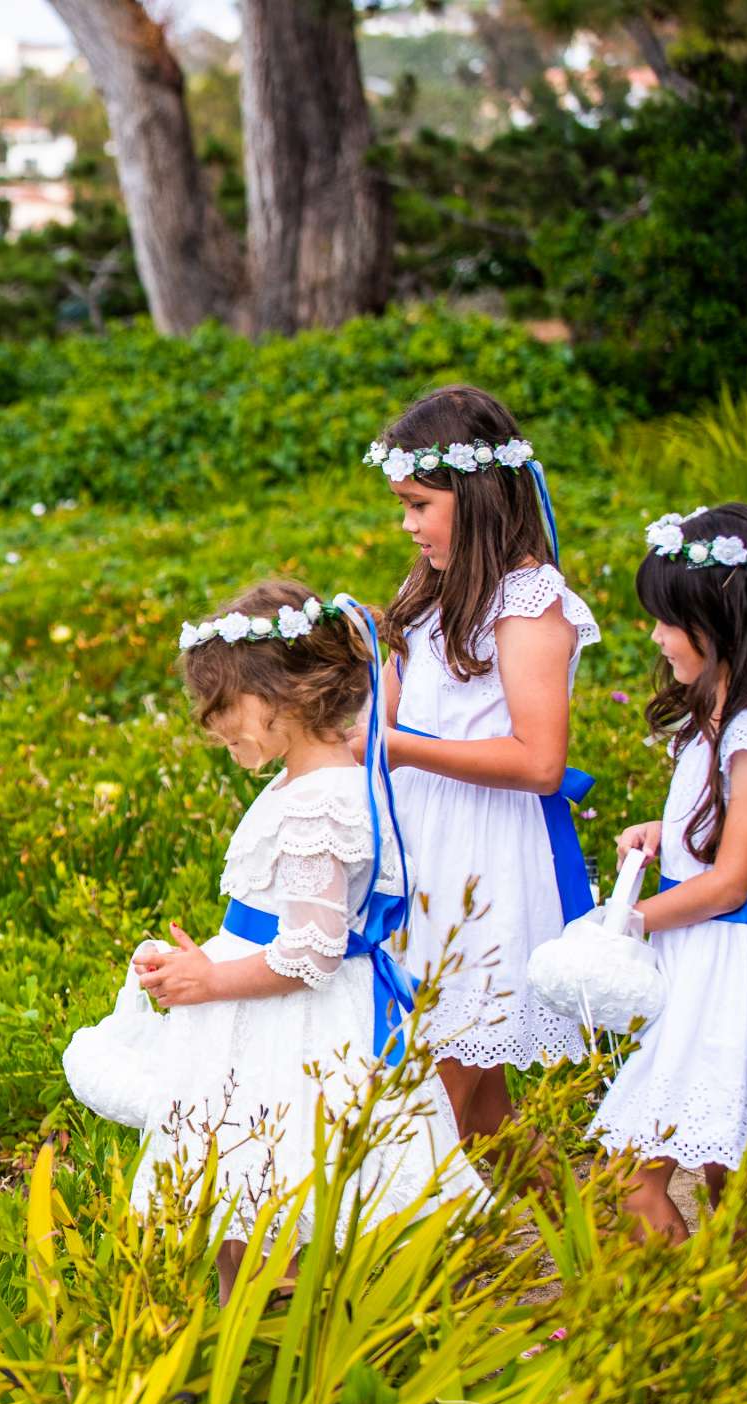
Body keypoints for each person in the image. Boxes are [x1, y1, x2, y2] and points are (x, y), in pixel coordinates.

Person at [65, 580, 479, 1298]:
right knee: (236, 1201)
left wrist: (210, 980)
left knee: (272, 1204)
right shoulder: (308, 782)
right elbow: (276, 921)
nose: (212, 724)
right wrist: (198, 960)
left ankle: (277, 1351)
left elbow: (311, 951)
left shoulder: (321, 799)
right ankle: (245, 1339)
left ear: (281, 695)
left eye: (224, 707)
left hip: (293, 1031)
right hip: (262, 1016)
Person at [590, 505, 747, 1242]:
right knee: (726, 1179)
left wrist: (627, 923)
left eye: (669, 621)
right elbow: (729, 842)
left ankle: (694, 1329)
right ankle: (738, 1322)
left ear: (725, 618)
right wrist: (665, 837)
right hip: (704, 957)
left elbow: (735, 882)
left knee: (636, 1174)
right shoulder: (726, 714)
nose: (656, 636)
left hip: (730, 965)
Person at [365, 384, 602, 1141]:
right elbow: (392, 713)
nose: (406, 524)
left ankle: (404, 1254)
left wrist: (400, 751)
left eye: (418, 504)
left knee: (428, 1103)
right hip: (421, 845)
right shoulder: (431, 588)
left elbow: (538, 761)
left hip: (485, 858)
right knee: (483, 1113)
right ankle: (583, 1245)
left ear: (475, 496)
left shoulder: (528, 603)